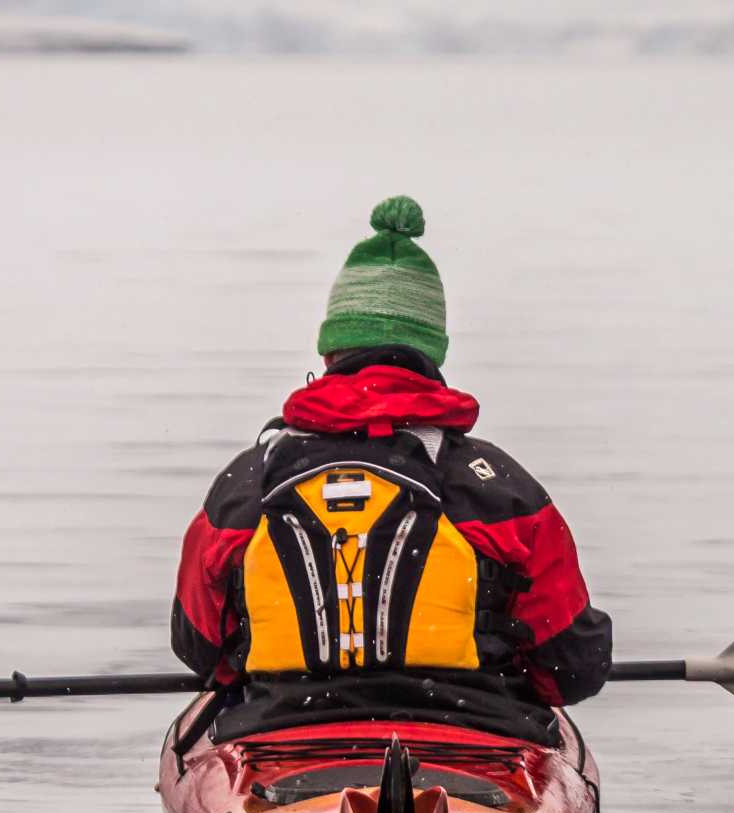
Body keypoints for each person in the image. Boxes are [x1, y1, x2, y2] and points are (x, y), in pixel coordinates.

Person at [169, 196, 612, 746]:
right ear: (431, 355)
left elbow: (199, 648)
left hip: (280, 740)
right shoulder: (503, 490)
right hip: (474, 742)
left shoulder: (246, 485)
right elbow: (572, 665)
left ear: (331, 353)